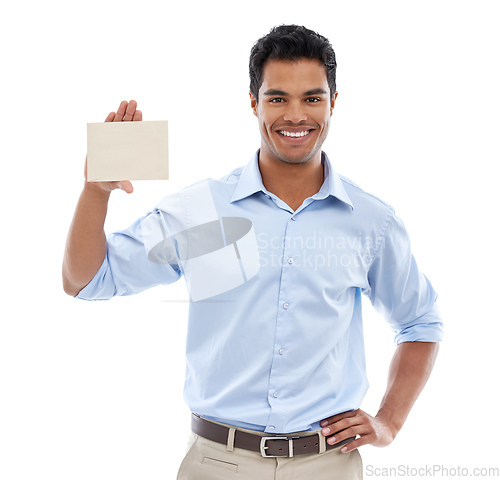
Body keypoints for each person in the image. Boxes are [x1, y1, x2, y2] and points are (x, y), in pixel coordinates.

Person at [63, 25, 443, 480]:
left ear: (333, 102)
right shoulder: (202, 211)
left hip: (329, 464)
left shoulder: (371, 221)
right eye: (278, 98)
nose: (296, 115)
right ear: (253, 102)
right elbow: (86, 280)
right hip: (216, 463)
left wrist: (388, 422)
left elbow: (420, 323)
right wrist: (95, 192)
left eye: (313, 98)